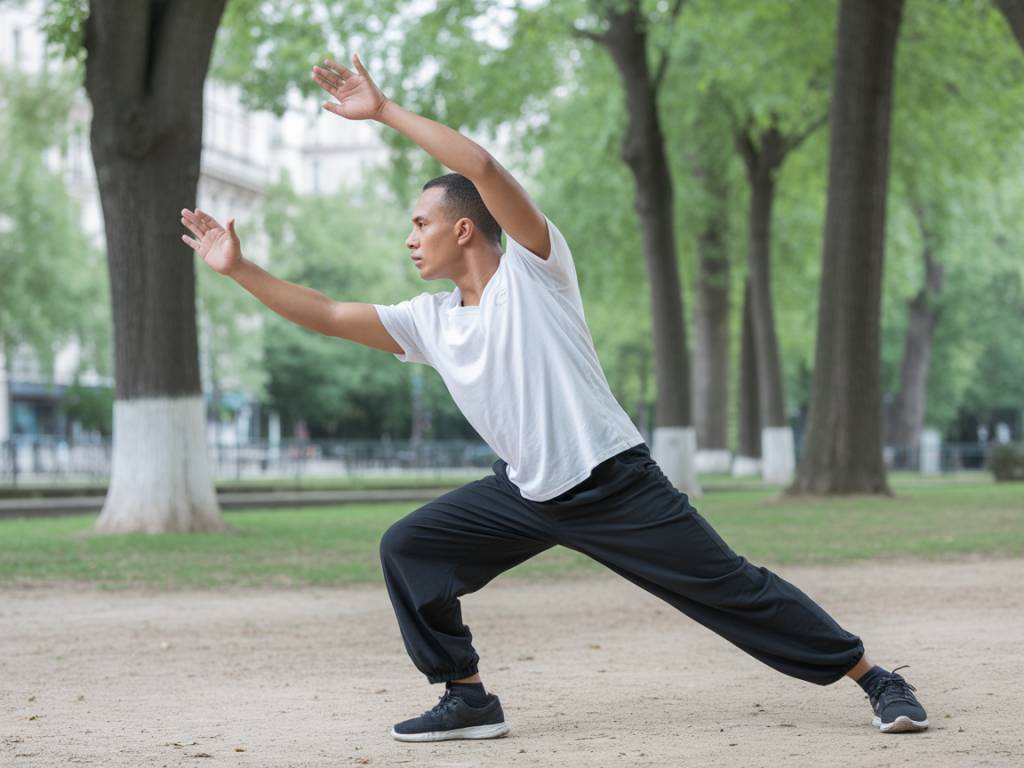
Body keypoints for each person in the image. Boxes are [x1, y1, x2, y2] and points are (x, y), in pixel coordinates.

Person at [180, 52, 929, 743]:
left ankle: (877, 679)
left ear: (464, 227)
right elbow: (327, 313)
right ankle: (468, 695)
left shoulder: (535, 271)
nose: (409, 239)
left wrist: (383, 112)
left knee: (733, 590)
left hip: (614, 483)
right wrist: (238, 268)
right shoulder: (432, 321)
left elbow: (478, 163)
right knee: (409, 547)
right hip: (527, 494)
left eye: (420, 223)